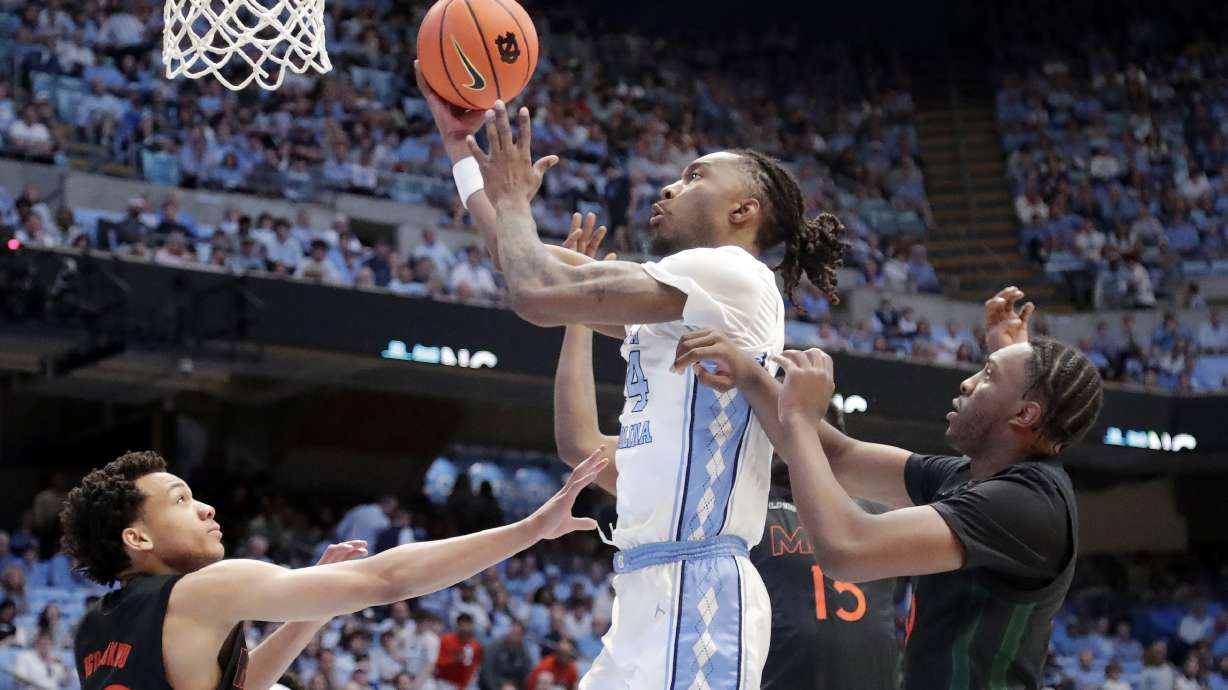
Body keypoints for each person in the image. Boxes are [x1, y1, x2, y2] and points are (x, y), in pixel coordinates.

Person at [416, 60, 844, 690]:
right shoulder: (683, 301)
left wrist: (512, 202)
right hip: (645, 589)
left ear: (743, 210)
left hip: (698, 590)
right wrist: (461, 154)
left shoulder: (732, 273)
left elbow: (536, 290)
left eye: (695, 177)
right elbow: (522, 265)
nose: (669, 187)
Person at [672, 286, 1102, 690]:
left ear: (1025, 414)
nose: (967, 382)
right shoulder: (972, 477)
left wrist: (801, 418)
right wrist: (749, 373)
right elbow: (839, 457)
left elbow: (846, 549)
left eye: (987, 375)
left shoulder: (1026, 503)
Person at [60, 449, 607, 690]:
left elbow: (243, 686)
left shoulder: (95, 629)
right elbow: (388, 579)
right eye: (181, 500)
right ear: (138, 537)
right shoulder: (204, 590)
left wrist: (315, 606)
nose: (205, 508)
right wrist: (530, 529)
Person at [750, 401, 898, 690]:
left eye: (807, 427)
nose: (790, 437)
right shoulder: (743, 512)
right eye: (778, 426)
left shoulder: (878, 511)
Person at [434, 613, 481, 690]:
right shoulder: (446, 640)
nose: (466, 629)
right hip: (445, 681)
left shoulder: (476, 646)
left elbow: (474, 667)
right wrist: (454, 660)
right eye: (463, 626)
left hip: (464, 684)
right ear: (458, 626)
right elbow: (438, 663)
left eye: (468, 625)